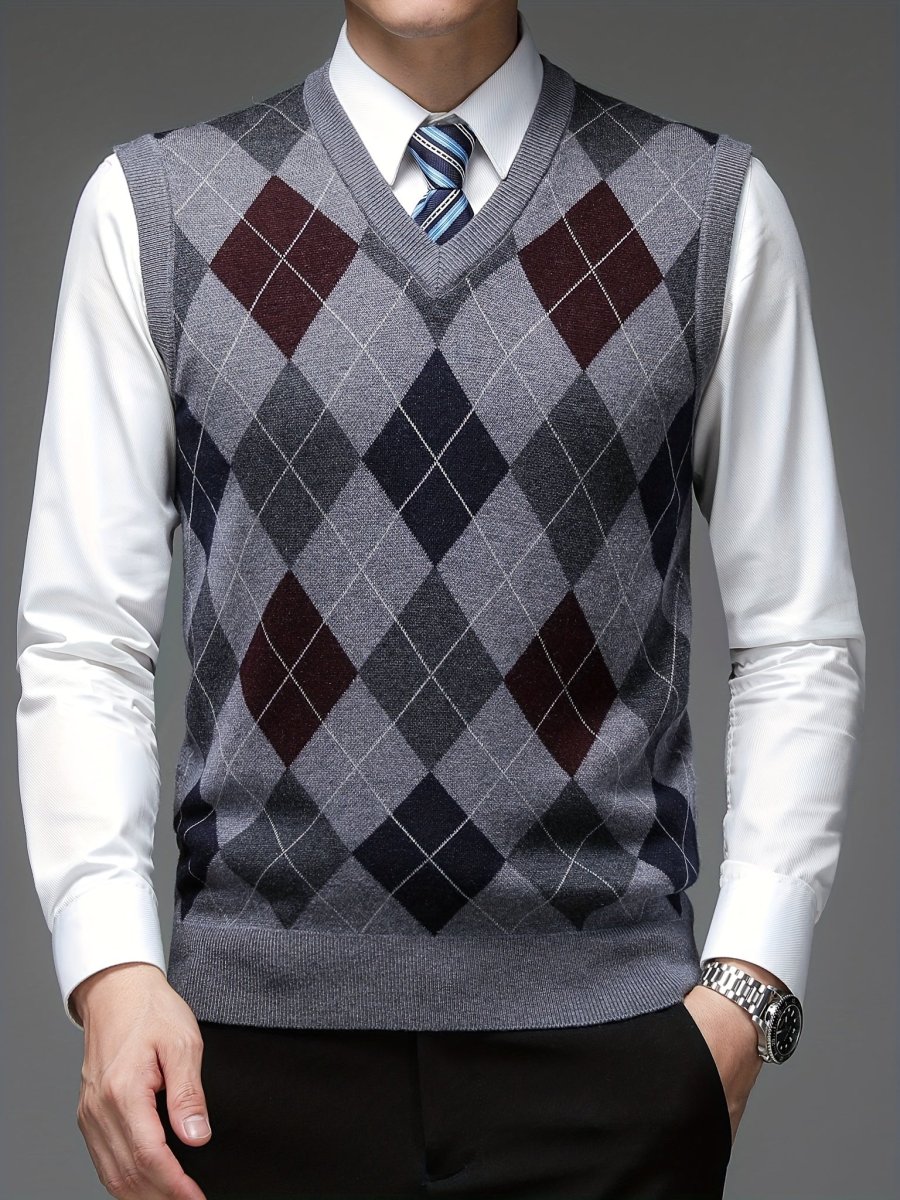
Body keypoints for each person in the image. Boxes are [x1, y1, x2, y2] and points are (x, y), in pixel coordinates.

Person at [15, 2, 865, 1198]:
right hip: (242, 1064)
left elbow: (797, 638)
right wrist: (109, 971)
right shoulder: (155, 210)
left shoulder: (710, 209)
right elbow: (84, 641)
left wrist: (750, 989)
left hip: (611, 1057)